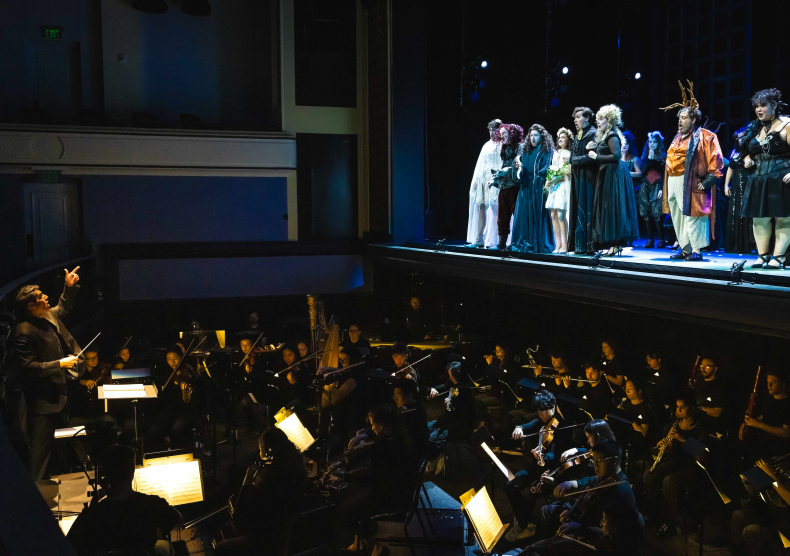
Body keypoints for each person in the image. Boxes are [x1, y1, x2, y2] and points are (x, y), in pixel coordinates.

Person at [13, 267, 83, 480]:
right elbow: (28, 368)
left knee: (53, 449)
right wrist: (59, 364)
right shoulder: (24, 331)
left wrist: (69, 287)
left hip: (57, 393)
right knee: (40, 454)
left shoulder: (46, 315)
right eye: (42, 298)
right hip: (42, 401)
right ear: (31, 306)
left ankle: (46, 489)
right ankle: (37, 498)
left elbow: (62, 307)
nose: (47, 299)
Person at [67, 444, 182, 556]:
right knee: (165, 546)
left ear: (106, 475)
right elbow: (177, 518)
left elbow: (70, 543)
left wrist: (91, 509)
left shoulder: (94, 514)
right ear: (132, 472)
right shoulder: (152, 503)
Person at [214, 429, 307, 556]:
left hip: (269, 543)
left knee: (221, 548)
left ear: (269, 453)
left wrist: (247, 483)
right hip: (291, 537)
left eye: (260, 451)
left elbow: (239, 521)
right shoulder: (298, 470)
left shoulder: (269, 484)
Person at [339, 405, 416, 556]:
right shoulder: (400, 437)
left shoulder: (385, 447)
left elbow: (373, 474)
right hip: (402, 489)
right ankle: (359, 542)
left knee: (345, 509)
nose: (372, 429)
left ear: (381, 425)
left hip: (392, 497)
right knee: (355, 493)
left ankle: (377, 547)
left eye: (373, 425)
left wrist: (345, 475)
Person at [661, 81, 724, 262]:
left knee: (693, 215)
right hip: (673, 180)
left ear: (694, 119)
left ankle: (697, 249)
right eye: (679, 118)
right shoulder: (676, 137)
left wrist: (707, 181)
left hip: (690, 180)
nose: (680, 121)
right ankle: (685, 248)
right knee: (678, 215)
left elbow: (717, 159)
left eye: (684, 118)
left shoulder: (706, 136)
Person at [539, 439, 639, 543]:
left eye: (599, 461)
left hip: (595, 538)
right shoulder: (606, 477)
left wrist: (578, 527)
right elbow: (591, 480)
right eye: (594, 461)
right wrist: (571, 484)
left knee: (551, 524)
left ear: (614, 460)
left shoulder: (621, 493)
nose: (595, 466)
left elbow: (607, 533)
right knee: (546, 510)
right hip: (584, 520)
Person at [644, 391, 708, 539]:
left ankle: (674, 521)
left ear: (691, 408)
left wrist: (683, 439)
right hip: (677, 462)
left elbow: (702, 456)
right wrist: (664, 447)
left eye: (682, 407)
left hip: (694, 466)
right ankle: (654, 512)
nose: (678, 410)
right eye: (677, 407)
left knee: (669, 481)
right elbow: (672, 452)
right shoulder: (673, 425)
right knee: (649, 475)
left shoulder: (700, 428)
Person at [741, 88, 790, 269]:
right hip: (758, 178)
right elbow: (746, 151)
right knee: (759, 218)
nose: (759, 110)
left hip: (781, 177)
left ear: (774, 105)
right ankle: (762, 256)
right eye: (756, 106)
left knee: (783, 218)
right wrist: (746, 159)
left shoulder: (787, 124)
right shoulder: (756, 128)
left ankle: (779, 257)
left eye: (763, 105)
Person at [504, 390, 560, 541]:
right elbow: (531, 424)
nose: (540, 416)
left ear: (553, 408)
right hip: (536, 467)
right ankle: (525, 521)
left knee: (529, 494)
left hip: (550, 472)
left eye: (543, 413)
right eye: (539, 413)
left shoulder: (560, 427)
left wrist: (542, 456)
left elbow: (555, 455)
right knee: (510, 485)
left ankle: (523, 523)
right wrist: (520, 428)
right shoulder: (542, 420)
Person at [588, 104, 640, 256]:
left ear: (610, 120)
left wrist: (596, 156)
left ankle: (616, 244)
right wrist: (594, 147)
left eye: (602, 119)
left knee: (614, 208)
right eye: (597, 119)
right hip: (608, 173)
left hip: (614, 174)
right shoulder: (606, 135)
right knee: (610, 208)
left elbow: (616, 155)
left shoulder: (612, 135)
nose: (598, 122)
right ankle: (614, 244)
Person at [426, 361, 482, 472]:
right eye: (450, 376)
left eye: (454, 376)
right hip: (447, 420)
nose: (452, 379)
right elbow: (441, 387)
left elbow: (463, 415)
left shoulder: (466, 391)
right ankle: (435, 454)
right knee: (426, 428)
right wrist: (433, 389)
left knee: (433, 437)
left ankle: (436, 457)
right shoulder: (451, 385)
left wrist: (452, 405)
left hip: (459, 425)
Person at [509, 124, 555, 253]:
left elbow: (546, 170)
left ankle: (539, 244)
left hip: (539, 190)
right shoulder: (525, 151)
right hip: (526, 189)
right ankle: (523, 243)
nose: (533, 138)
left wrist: (539, 180)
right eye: (531, 136)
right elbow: (518, 172)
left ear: (542, 136)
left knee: (539, 216)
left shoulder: (547, 151)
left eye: (536, 135)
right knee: (523, 216)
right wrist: (519, 167)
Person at [568, 107, 600, 255]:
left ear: (587, 118)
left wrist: (573, 160)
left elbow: (592, 157)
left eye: (578, 116)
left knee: (586, 207)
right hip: (578, 176)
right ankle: (578, 245)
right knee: (578, 207)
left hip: (588, 177)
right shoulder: (579, 135)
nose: (575, 120)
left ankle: (589, 245)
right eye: (574, 117)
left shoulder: (593, 134)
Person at [488, 123, 525, 250]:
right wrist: (495, 180)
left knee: (517, 215)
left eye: (504, 133)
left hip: (515, 185)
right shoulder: (505, 148)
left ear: (512, 134)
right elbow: (504, 166)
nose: (502, 135)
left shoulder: (520, 147)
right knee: (502, 217)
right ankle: (501, 244)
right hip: (504, 185)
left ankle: (517, 243)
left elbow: (520, 166)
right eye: (501, 133)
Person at [468, 119, 504, 248]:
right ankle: (479, 238)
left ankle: (492, 240)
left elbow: (502, 164)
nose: (492, 132)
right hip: (484, 180)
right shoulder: (486, 145)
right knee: (481, 208)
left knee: (495, 210)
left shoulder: (502, 145)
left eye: (494, 130)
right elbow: (480, 165)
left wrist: (498, 179)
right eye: (490, 130)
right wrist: (476, 181)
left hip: (495, 180)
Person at [739, 369, 790, 458]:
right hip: (762, 446)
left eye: (773, 382)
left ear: (783, 384)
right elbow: (763, 416)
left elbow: (786, 433)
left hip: (778, 451)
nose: (769, 385)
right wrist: (746, 423)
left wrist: (758, 424)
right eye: (768, 382)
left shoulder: (787, 404)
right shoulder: (767, 398)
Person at [724, 126, 756, 254]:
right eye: (738, 138)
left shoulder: (752, 152)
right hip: (736, 189)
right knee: (734, 215)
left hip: (749, 187)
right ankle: (735, 245)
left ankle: (749, 245)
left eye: (742, 137)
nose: (740, 140)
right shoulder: (734, 152)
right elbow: (730, 168)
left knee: (748, 216)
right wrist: (726, 185)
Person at [544, 128, 573, 253]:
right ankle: (558, 243)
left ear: (568, 139)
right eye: (559, 137)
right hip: (554, 186)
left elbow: (569, 171)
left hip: (563, 184)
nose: (560, 139)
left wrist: (558, 178)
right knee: (553, 214)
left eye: (563, 137)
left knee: (561, 214)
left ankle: (566, 244)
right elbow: (552, 168)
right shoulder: (556, 153)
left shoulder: (570, 153)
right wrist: (548, 180)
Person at [638, 131, 668, 248]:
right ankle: (650, 239)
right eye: (650, 142)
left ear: (658, 143)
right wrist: (648, 158)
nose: (652, 144)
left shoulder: (663, 156)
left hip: (658, 184)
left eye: (654, 142)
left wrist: (662, 188)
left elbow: (664, 173)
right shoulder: (645, 155)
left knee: (657, 213)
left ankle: (661, 239)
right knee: (645, 213)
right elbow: (642, 171)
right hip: (645, 185)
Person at [692, 357, 727, 431]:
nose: (702, 369)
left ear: (715, 369)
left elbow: (717, 412)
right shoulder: (697, 382)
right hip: (694, 421)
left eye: (706, 367)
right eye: (701, 366)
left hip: (709, 425)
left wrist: (698, 408)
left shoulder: (719, 387)